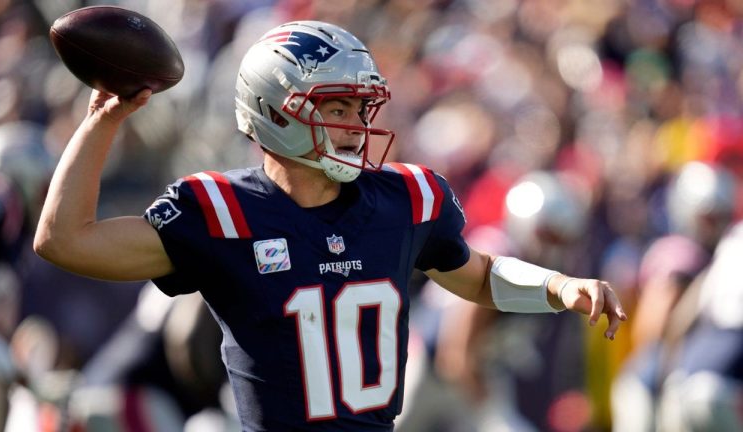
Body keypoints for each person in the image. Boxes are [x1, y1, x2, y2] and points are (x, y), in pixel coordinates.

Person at [34, 20, 627, 431]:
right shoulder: (219, 210)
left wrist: (557, 287)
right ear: (273, 110)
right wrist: (104, 120)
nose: (354, 126)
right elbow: (66, 241)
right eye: (336, 108)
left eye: (360, 109)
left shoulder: (406, 197)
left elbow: (475, 275)